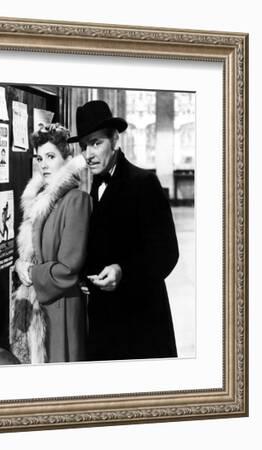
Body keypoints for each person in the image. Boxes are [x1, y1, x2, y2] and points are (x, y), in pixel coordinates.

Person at [68, 100, 179, 361]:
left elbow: (166, 254)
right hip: (103, 320)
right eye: (84, 146)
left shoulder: (144, 183)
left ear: (115, 140)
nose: (89, 154)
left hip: (141, 322)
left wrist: (123, 272)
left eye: (96, 143)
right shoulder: (93, 186)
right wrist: (84, 274)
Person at [11, 124, 91, 363]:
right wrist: (19, 265)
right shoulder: (39, 200)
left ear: (66, 159)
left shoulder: (76, 200)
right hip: (37, 302)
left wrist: (31, 272)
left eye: (50, 156)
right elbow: (33, 253)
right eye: (39, 158)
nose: (43, 164)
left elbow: (69, 267)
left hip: (61, 306)